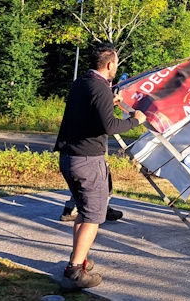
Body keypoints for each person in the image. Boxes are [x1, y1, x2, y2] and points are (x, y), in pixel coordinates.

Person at [54, 42, 147, 290]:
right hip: (87, 162)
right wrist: (134, 121)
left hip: (69, 158)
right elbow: (110, 127)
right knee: (93, 216)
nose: (117, 66)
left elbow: (91, 113)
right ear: (109, 64)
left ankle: (79, 260)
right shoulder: (101, 89)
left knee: (84, 212)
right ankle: (74, 272)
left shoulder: (82, 83)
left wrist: (110, 102)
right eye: (116, 62)